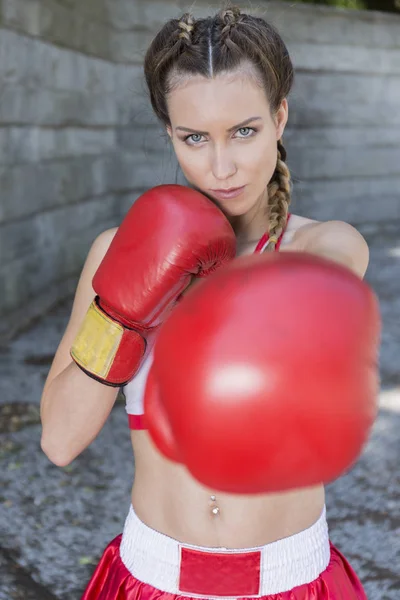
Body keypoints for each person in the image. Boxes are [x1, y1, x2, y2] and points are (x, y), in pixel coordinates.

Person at [39, 4, 376, 599]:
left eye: (244, 131)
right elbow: (61, 441)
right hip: (148, 576)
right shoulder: (116, 254)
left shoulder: (324, 245)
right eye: (195, 137)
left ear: (280, 117)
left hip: (290, 581)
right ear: (169, 132)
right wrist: (125, 312)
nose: (221, 167)